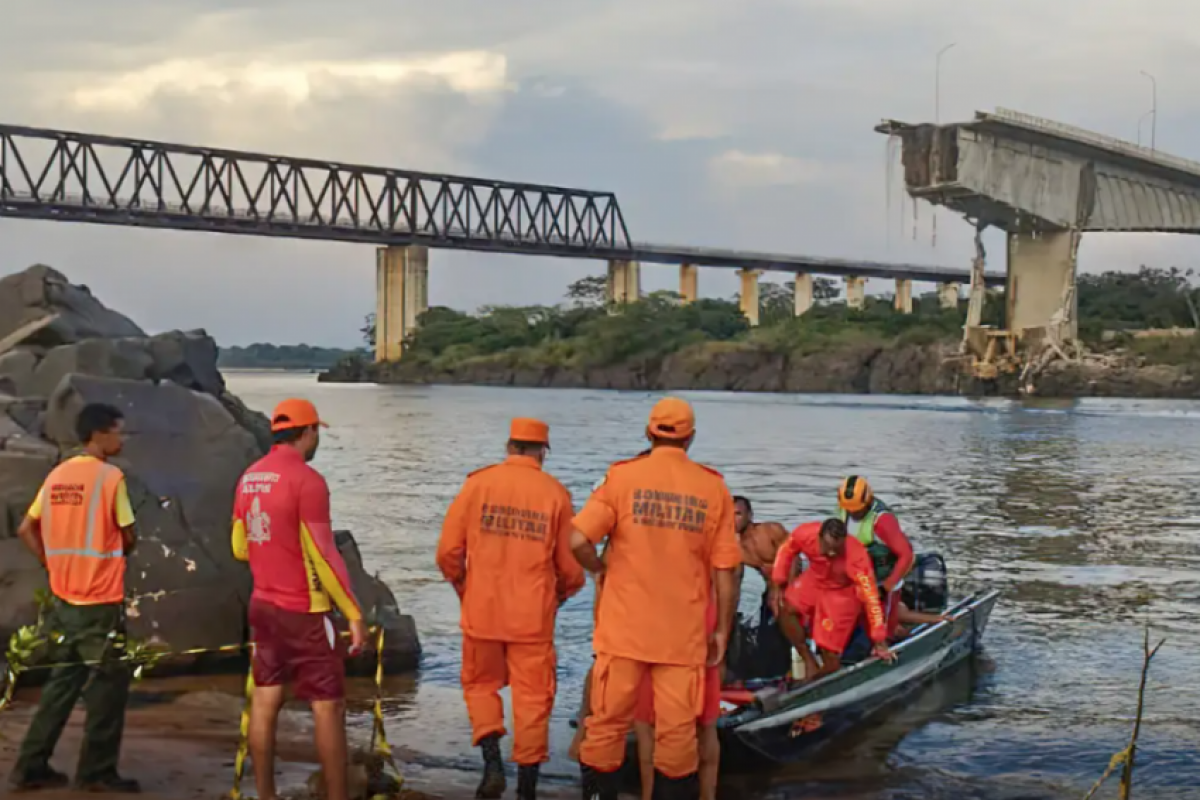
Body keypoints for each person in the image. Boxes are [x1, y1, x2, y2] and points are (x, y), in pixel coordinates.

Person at [571, 397, 742, 800]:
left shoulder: (621, 478)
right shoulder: (713, 487)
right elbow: (726, 571)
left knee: (606, 725)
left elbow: (577, 539)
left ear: (648, 433)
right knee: (677, 737)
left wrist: (598, 569)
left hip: (622, 632)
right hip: (681, 638)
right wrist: (720, 631)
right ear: (691, 438)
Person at [437, 418, 585, 800]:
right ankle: (527, 789)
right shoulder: (555, 493)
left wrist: (464, 588)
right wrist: (561, 595)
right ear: (542, 451)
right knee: (533, 700)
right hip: (532, 618)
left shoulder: (477, 485)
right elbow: (570, 568)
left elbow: (448, 553)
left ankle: (491, 765)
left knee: (480, 686)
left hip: (482, 611)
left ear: (509, 446)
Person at [231, 398, 368, 800]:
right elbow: (325, 554)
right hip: (305, 610)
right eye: (316, 432)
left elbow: (239, 545)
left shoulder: (250, 477)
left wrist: (273, 544)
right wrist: (353, 613)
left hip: (263, 606)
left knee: (265, 699)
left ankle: (266, 794)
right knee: (328, 706)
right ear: (309, 432)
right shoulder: (307, 481)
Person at [9, 403, 140, 793]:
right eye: (119, 431)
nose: (123, 438)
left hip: (65, 597)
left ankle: (30, 764)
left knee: (62, 682)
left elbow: (25, 529)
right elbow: (128, 534)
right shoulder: (110, 478)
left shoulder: (58, 476)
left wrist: (51, 563)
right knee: (108, 687)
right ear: (99, 434)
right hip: (99, 599)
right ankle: (96, 772)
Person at [770, 518, 895, 680]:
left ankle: (818, 680)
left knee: (829, 651)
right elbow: (787, 549)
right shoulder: (805, 533)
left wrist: (879, 639)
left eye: (837, 549)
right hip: (816, 577)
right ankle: (808, 660)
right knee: (785, 607)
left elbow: (871, 597)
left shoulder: (856, 557)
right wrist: (778, 581)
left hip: (842, 590)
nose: (831, 553)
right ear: (819, 537)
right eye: (827, 547)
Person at [630, 589, 721, 800]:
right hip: (694, 623)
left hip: (652, 627)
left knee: (648, 727)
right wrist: (722, 628)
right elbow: (725, 577)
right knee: (703, 726)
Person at [731, 496, 818, 678]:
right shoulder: (734, 546)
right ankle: (783, 670)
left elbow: (794, 555)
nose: (733, 519)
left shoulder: (770, 530)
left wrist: (788, 587)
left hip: (797, 582)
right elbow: (735, 578)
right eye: (729, 515)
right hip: (771, 591)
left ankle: (811, 663)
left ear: (750, 515)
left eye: (738, 514)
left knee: (786, 610)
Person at [835, 476, 914, 632]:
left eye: (856, 510)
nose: (852, 513)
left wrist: (886, 587)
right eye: (849, 510)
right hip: (858, 578)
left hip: (883, 580)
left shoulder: (883, 521)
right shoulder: (844, 510)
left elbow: (907, 556)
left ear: (868, 501)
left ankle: (897, 630)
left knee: (884, 629)